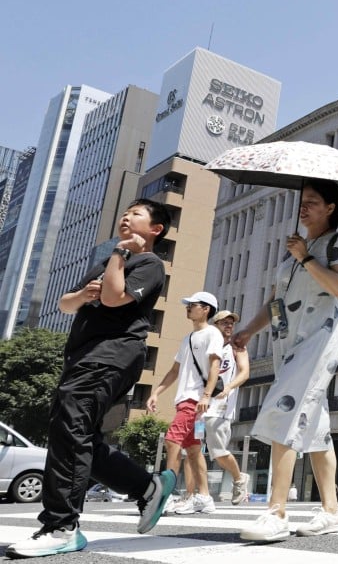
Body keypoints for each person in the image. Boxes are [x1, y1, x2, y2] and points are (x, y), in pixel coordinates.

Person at [6, 200, 176, 558]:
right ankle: (146, 487)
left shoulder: (149, 264)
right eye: (124, 212)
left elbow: (115, 299)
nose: (126, 217)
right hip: (84, 357)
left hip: (113, 354)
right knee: (79, 436)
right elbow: (65, 304)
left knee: (70, 431)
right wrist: (83, 295)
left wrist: (118, 254)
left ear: (156, 229)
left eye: (136, 214)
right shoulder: (105, 264)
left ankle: (61, 525)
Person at [233, 179, 338, 541]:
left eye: (312, 202)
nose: (303, 208)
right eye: (302, 202)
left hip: (320, 339)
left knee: (282, 410)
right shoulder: (292, 254)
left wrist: (305, 256)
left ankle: (276, 511)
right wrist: (249, 331)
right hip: (287, 343)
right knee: (316, 429)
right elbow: (276, 303)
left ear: (331, 208)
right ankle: (331, 511)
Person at [147, 291, 223, 515]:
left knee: (172, 441)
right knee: (193, 450)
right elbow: (174, 371)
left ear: (206, 309)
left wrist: (206, 395)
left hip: (195, 400)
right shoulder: (187, 339)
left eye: (193, 305)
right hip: (186, 400)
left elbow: (215, 366)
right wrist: (156, 393)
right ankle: (205, 498)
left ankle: (167, 495)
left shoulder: (212, 334)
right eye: (187, 305)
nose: (188, 308)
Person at [206, 309, 251, 504]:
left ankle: (239, 478)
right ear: (214, 325)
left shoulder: (237, 347)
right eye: (224, 322)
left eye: (231, 323)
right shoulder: (206, 345)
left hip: (221, 408)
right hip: (199, 405)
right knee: (190, 449)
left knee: (218, 453)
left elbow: (245, 372)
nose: (229, 325)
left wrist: (229, 387)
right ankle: (194, 493)